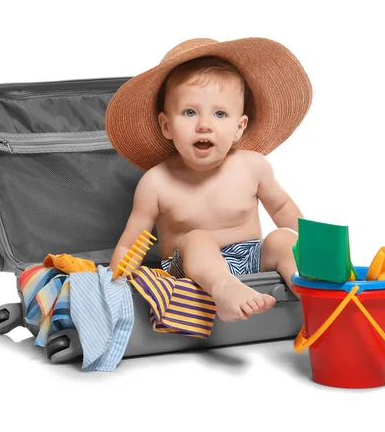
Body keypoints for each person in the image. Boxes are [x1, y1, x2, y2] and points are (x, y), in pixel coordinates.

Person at [106, 38, 312, 322]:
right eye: (189, 112)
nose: (204, 124)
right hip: (188, 267)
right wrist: (117, 281)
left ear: (239, 127)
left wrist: (311, 245)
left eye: (220, 113)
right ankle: (224, 290)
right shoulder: (156, 183)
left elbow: (282, 208)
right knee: (197, 239)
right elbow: (132, 244)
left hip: (250, 256)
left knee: (283, 239)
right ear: (167, 125)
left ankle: (310, 291)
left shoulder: (253, 166)